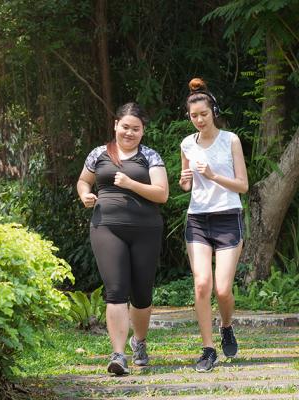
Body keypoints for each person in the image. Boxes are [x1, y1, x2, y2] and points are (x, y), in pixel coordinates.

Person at [77, 102, 169, 375]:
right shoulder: (98, 154)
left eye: (136, 129)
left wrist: (130, 184)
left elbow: (162, 194)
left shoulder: (150, 156)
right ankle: (118, 355)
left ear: (143, 131)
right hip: (106, 227)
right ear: (116, 125)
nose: (129, 132)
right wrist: (84, 195)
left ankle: (138, 342)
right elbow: (84, 180)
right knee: (115, 291)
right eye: (125, 126)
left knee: (141, 294)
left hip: (146, 230)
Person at [179, 78, 248, 373]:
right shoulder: (186, 144)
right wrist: (186, 181)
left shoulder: (230, 139)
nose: (199, 121)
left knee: (222, 289)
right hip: (198, 219)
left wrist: (214, 175)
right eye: (193, 116)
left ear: (213, 112)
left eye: (203, 115)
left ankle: (227, 326)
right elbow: (186, 182)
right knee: (202, 284)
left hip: (228, 216)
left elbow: (243, 186)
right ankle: (208, 349)